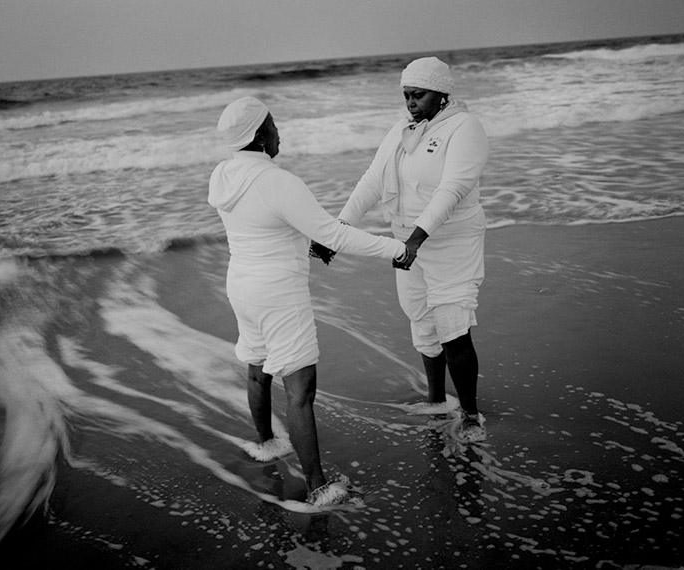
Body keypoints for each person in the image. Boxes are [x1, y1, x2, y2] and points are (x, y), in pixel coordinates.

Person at [208, 96, 413, 507]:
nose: (278, 131)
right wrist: (396, 249)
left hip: (242, 286)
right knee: (299, 388)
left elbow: (275, 226)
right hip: (280, 293)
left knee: (257, 368)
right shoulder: (278, 181)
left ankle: (266, 443)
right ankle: (318, 485)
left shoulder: (222, 177)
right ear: (260, 135)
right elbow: (333, 235)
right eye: (273, 124)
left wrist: (309, 240)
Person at [323, 57, 490, 441]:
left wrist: (416, 239)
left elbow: (453, 189)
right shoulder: (402, 130)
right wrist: (340, 227)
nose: (410, 103)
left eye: (419, 95)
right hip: (406, 241)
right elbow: (372, 180)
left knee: (453, 327)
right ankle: (435, 399)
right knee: (421, 319)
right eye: (406, 95)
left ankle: (469, 414)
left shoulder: (465, 128)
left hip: (451, 241)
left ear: (442, 94)